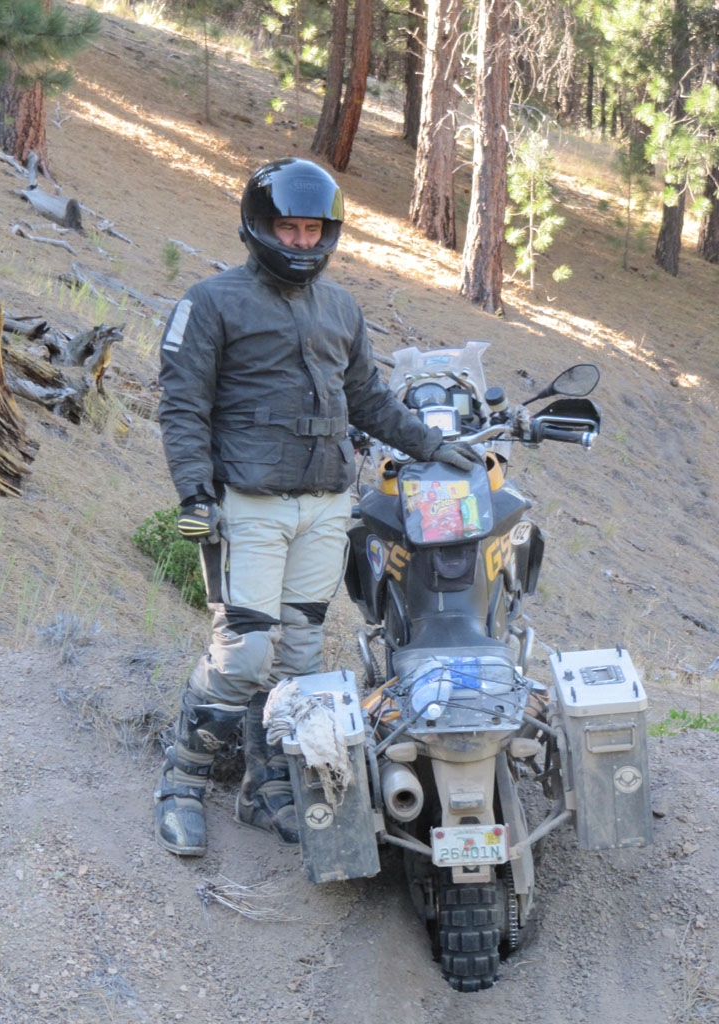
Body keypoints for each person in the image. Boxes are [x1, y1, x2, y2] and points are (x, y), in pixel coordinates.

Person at [154, 157, 480, 856]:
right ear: (259, 226)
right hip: (249, 504)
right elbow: (182, 407)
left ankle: (267, 788)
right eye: (289, 229)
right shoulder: (211, 303)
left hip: (327, 506)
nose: (301, 242)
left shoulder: (341, 308)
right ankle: (181, 781)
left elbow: (368, 400)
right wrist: (194, 494)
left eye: (312, 230)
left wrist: (430, 445)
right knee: (243, 655)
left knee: (299, 658)